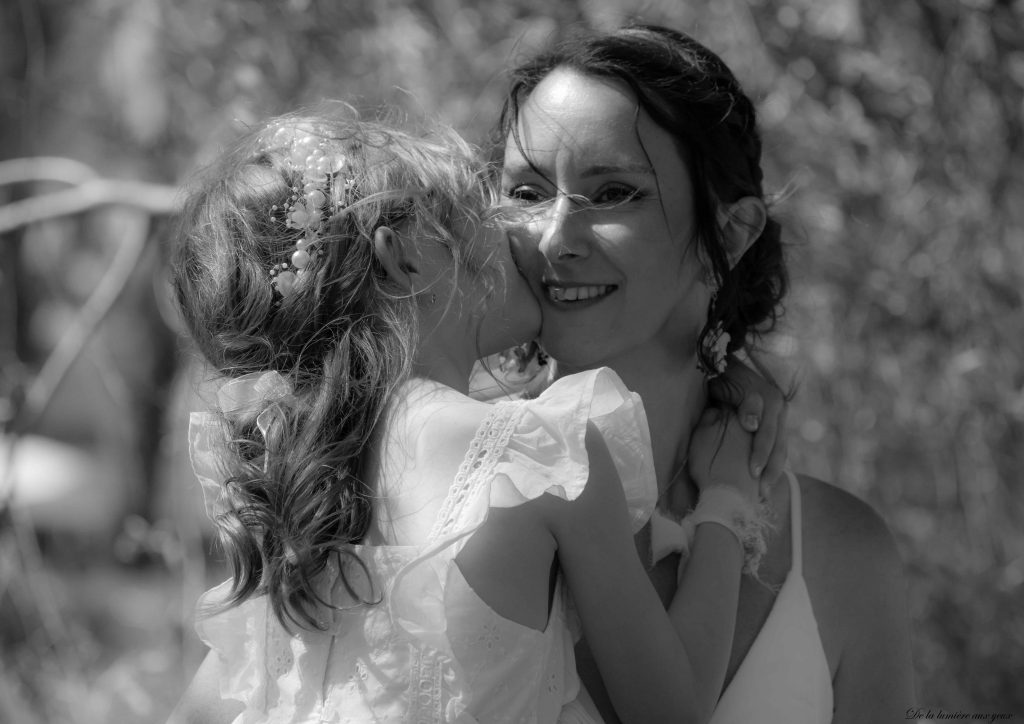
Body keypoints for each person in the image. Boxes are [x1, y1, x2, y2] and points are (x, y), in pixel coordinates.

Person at [167, 107, 782, 724]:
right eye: (474, 212)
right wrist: (727, 500)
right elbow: (672, 711)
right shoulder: (540, 453)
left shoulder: (292, 501)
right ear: (403, 256)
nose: (522, 235)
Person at [496, 23, 915, 724]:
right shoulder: (447, 493)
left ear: (732, 231)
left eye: (613, 193)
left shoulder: (843, 555)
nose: (555, 239)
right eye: (529, 193)